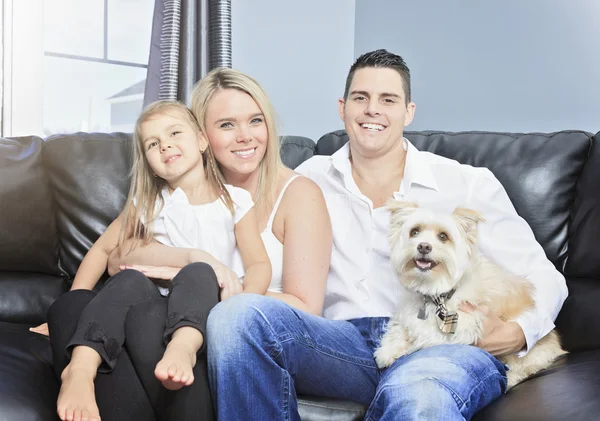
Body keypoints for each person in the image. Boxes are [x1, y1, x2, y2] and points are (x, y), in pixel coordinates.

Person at [204, 49, 569, 420]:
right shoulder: (306, 177)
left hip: (438, 344)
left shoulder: (466, 183)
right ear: (343, 108)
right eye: (361, 98)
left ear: (409, 111)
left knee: (420, 397)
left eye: (388, 100)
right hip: (339, 344)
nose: (372, 110)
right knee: (237, 316)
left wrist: (518, 332)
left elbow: (545, 277)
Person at [34, 100, 272, 421]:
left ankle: (183, 346)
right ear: (148, 160)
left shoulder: (234, 201)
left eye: (175, 133)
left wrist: (240, 304)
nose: (166, 145)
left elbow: (259, 264)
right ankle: (80, 367)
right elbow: (104, 250)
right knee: (129, 279)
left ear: (202, 141)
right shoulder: (149, 202)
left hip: (202, 309)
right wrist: (76, 298)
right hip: (152, 306)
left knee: (199, 272)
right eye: (153, 143)